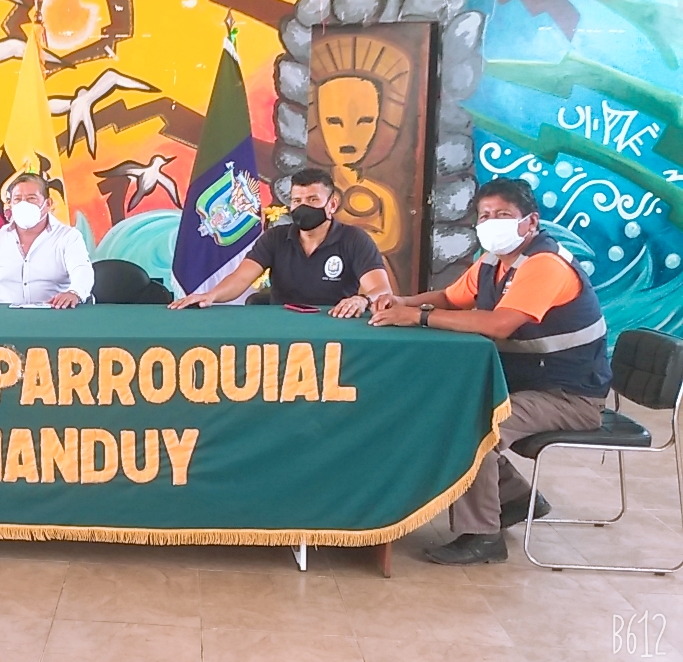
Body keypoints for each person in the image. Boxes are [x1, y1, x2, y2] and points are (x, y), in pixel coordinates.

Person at [370, 178, 610, 565]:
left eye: (503, 214)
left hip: (569, 397)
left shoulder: (544, 264)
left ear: (531, 222)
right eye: (484, 215)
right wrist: (402, 301)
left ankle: (482, 537)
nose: (491, 222)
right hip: (530, 386)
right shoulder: (493, 262)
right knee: (443, 409)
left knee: (473, 426)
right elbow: (451, 298)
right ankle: (514, 499)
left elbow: (500, 324)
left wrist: (418, 317)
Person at [169, 168, 392, 316]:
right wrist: (211, 295)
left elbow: (381, 289)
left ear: (332, 205)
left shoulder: (354, 239)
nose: (303, 206)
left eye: (313, 200)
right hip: (281, 328)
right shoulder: (275, 237)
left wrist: (362, 300)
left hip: (334, 325)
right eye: (297, 200)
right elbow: (240, 278)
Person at [0, 173, 93, 308]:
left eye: (31, 198)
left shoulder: (68, 237)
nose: (23, 204)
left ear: (48, 204)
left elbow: (82, 271)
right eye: (17, 199)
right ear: (10, 204)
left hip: (54, 315)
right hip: (5, 318)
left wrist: (74, 293)